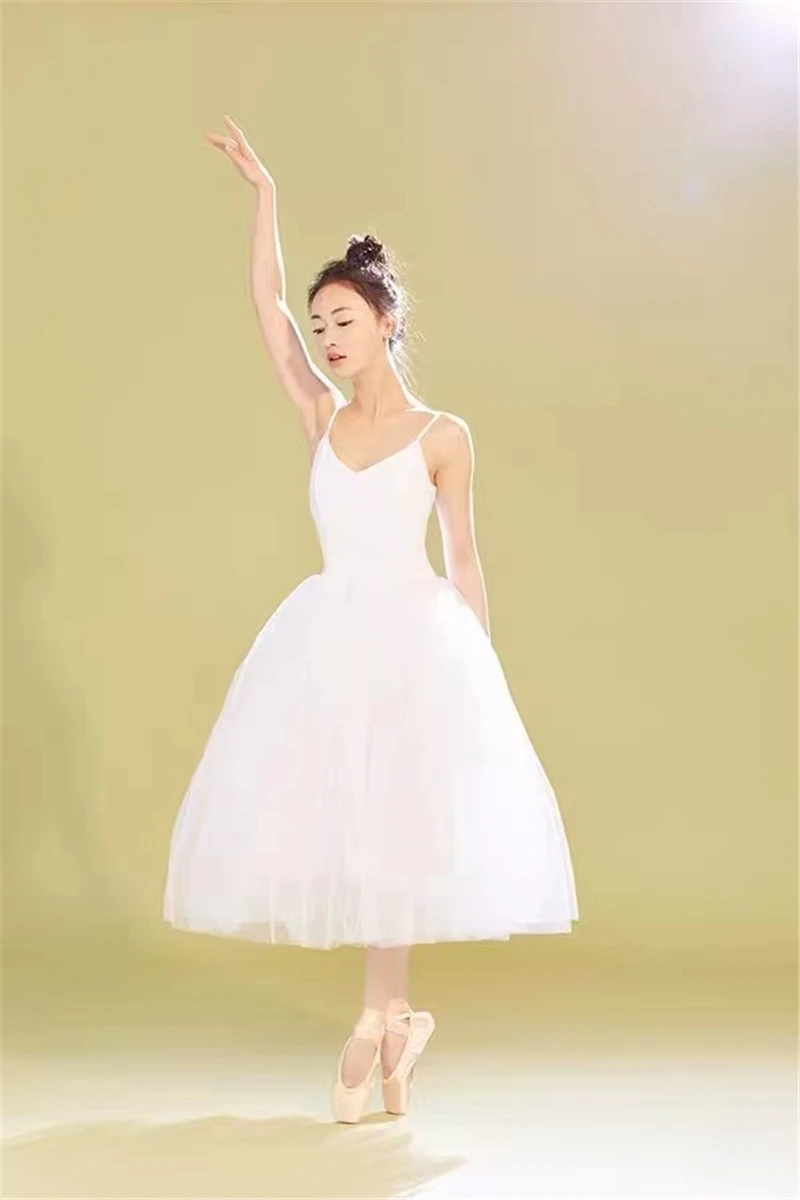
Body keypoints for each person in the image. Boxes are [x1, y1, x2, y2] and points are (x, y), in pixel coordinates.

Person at [162, 115, 579, 1124]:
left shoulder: (443, 437)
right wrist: (265, 193)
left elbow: (464, 559)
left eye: (343, 319)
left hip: (416, 642)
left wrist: (480, 683)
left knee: (398, 826)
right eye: (321, 326)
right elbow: (263, 305)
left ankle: (380, 1023)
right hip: (327, 641)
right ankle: (392, 1028)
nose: (328, 337)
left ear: (386, 321)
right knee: (353, 826)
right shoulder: (321, 417)